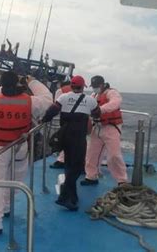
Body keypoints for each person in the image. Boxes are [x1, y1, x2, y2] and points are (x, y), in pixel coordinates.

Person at [0, 70, 52, 235]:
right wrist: (30, 81)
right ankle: (7, 207)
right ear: (18, 83)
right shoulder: (31, 102)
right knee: (15, 178)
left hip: (1, 148)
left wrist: (5, 84)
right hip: (20, 146)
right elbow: (48, 98)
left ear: (1, 85)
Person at [42, 75, 100, 211]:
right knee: (78, 167)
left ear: (72, 86)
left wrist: (44, 120)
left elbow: (52, 111)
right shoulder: (90, 100)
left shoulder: (63, 97)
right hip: (78, 137)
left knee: (69, 164)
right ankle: (64, 197)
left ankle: (72, 198)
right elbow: (97, 113)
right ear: (83, 87)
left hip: (65, 136)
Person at [81, 75, 128, 186]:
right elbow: (87, 105)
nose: (95, 88)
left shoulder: (112, 93)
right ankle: (91, 176)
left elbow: (115, 103)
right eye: (93, 86)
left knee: (114, 155)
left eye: (96, 86)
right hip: (97, 127)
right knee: (91, 154)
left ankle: (122, 181)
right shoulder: (93, 95)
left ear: (102, 84)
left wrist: (100, 110)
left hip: (111, 127)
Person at [50, 78, 72, 169]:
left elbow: (57, 105)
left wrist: (47, 117)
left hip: (65, 119)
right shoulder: (78, 91)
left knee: (64, 140)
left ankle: (61, 161)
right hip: (78, 120)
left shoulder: (60, 91)